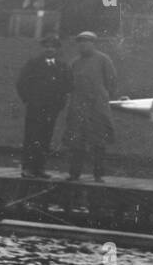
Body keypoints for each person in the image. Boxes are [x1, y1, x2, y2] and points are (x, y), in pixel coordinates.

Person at [64, 31, 117, 182]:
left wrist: (102, 98)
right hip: (78, 108)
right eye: (80, 42)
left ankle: (98, 174)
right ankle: (74, 173)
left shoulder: (103, 60)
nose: (83, 45)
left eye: (86, 42)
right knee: (76, 141)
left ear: (93, 43)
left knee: (99, 141)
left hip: (97, 108)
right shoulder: (75, 62)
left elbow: (111, 81)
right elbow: (69, 83)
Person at [16, 35, 71, 179]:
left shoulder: (62, 66)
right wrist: (29, 100)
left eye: (52, 47)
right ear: (43, 48)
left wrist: (59, 104)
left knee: (46, 137)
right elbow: (21, 83)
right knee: (32, 136)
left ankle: (39, 168)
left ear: (57, 49)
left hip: (51, 109)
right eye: (47, 46)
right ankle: (27, 168)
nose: (49, 49)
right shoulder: (33, 64)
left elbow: (67, 86)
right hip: (35, 108)